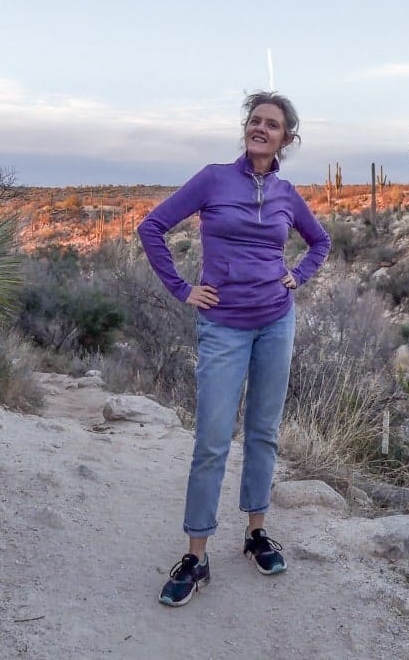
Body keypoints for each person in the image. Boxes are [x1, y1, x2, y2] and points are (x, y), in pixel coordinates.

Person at [137, 91, 331, 607]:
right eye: (255, 120)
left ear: (286, 138)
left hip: (275, 322)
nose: (260, 128)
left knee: (264, 433)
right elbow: (151, 226)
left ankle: (255, 534)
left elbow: (321, 242)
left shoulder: (288, 193)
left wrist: (297, 277)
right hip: (222, 326)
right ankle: (196, 557)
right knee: (212, 441)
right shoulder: (213, 178)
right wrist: (183, 288)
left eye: (272, 124)